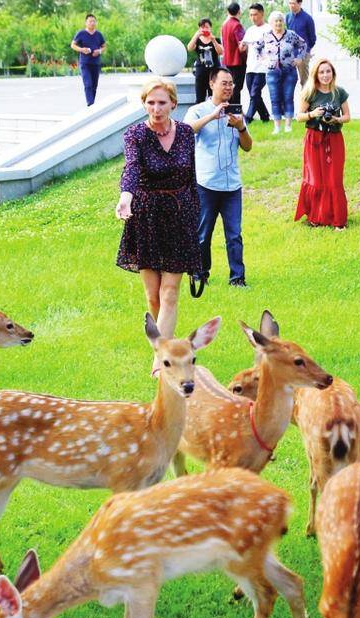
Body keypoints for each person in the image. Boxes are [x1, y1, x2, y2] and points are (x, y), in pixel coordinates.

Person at [115, 79, 200, 368]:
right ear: (144, 104)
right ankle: (167, 346)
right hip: (146, 216)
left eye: (162, 102)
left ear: (173, 104)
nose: (156, 108)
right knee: (153, 297)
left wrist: (195, 218)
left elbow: (191, 176)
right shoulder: (135, 134)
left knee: (170, 292)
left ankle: (161, 361)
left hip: (179, 214)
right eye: (150, 103)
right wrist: (125, 197)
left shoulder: (187, 133)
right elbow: (132, 168)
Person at [184, 67, 254, 289]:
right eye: (224, 83)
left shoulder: (237, 112)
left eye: (231, 83)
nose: (228, 87)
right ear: (212, 84)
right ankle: (200, 273)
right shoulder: (198, 110)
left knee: (234, 235)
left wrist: (241, 126)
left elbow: (248, 146)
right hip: (206, 183)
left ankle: (238, 278)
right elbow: (186, 132)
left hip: (232, 184)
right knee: (203, 233)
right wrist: (212, 116)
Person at [295, 58, 350, 228]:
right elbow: (299, 116)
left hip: (334, 138)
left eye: (328, 71)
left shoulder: (339, 92)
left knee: (334, 179)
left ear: (333, 73)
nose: (325, 75)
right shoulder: (310, 92)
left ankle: (337, 218)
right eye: (322, 72)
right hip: (314, 139)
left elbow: (347, 117)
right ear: (316, 75)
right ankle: (316, 216)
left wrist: (336, 118)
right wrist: (313, 114)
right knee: (316, 179)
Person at [258, 11, 307, 134]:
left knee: (288, 97)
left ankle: (288, 125)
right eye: (276, 21)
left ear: (284, 22)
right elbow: (256, 48)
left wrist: (300, 58)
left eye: (280, 20)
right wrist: (263, 60)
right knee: (275, 98)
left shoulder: (291, 35)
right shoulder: (266, 35)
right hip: (272, 72)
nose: (278, 23)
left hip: (289, 71)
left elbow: (303, 45)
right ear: (271, 23)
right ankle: (277, 127)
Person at [240, 3, 271, 123]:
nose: (253, 17)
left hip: (263, 67)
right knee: (254, 95)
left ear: (262, 14)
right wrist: (242, 45)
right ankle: (265, 117)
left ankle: (248, 118)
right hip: (250, 67)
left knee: (255, 93)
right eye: (251, 15)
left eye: (255, 14)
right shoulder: (250, 30)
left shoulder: (269, 29)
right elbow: (242, 47)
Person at [70, 14, 106, 106]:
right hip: (85, 63)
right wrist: (82, 50)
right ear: (86, 23)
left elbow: (104, 46)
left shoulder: (99, 35)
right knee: (88, 84)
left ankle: (92, 104)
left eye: (94, 21)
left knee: (94, 85)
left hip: (96, 63)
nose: (92, 23)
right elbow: (73, 45)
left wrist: (99, 51)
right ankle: (90, 103)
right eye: (90, 21)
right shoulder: (81, 33)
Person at [188, 18, 224, 104]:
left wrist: (213, 40)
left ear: (210, 28)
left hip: (213, 72)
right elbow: (189, 48)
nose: (204, 29)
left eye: (207, 27)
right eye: (202, 27)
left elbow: (221, 52)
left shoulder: (216, 39)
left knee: (214, 96)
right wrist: (196, 36)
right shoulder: (197, 40)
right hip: (201, 73)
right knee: (200, 98)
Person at [221, 2, 247, 105]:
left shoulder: (224, 25)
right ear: (239, 11)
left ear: (228, 12)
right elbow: (242, 45)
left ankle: (230, 108)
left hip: (227, 61)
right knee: (237, 87)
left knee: (229, 87)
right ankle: (235, 109)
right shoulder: (237, 25)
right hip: (237, 61)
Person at [286, 0, 316, 86]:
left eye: (293, 3)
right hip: (290, 54)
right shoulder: (288, 17)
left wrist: (306, 52)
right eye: (290, 3)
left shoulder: (308, 18)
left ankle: (306, 99)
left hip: (303, 54)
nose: (291, 5)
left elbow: (313, 39)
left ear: (299, 3)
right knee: (290, 80)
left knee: (304, 81)